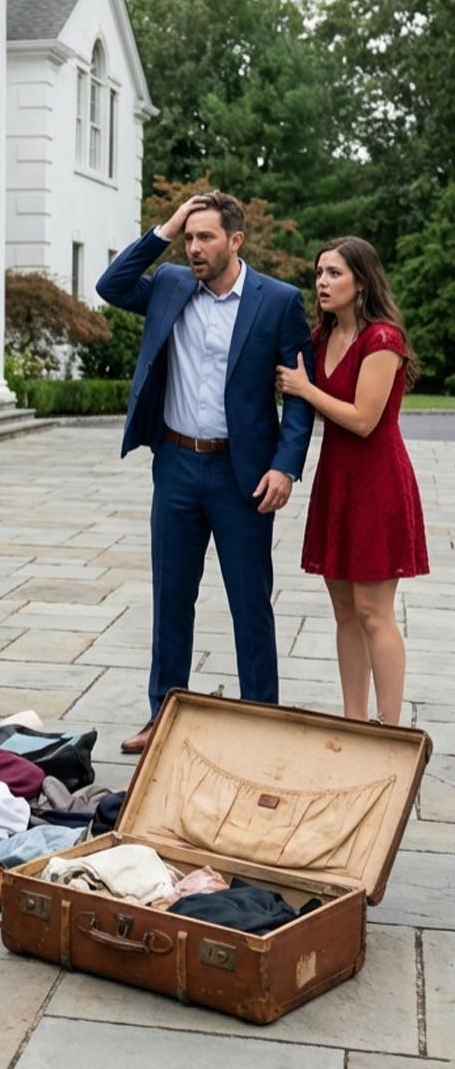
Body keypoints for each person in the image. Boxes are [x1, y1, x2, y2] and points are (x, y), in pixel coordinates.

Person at [97, 191, 314, 754]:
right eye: (189, 238)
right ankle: (163, 717)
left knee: (249, 602)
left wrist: (285, 467)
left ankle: (260, 719)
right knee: (171, 598)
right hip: (175, 465)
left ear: (235, 240)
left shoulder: (278, 301)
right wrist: (166, 228)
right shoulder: (170, 285)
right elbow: (111, 285)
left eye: (205, 237)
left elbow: (299, 395)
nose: (194, 248)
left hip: (243, 475)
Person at [276, 237, 428, 726]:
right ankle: (354, 722)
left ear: (361, 282)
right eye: (319, 272)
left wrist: (305, 389)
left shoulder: (383, 339)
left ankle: (391, 730)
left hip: (377, 481)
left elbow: (364, 419)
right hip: (337, 479)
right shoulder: (321, 338)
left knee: (373, 612)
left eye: (334, 273)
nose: (322, 282)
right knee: (344, 610)